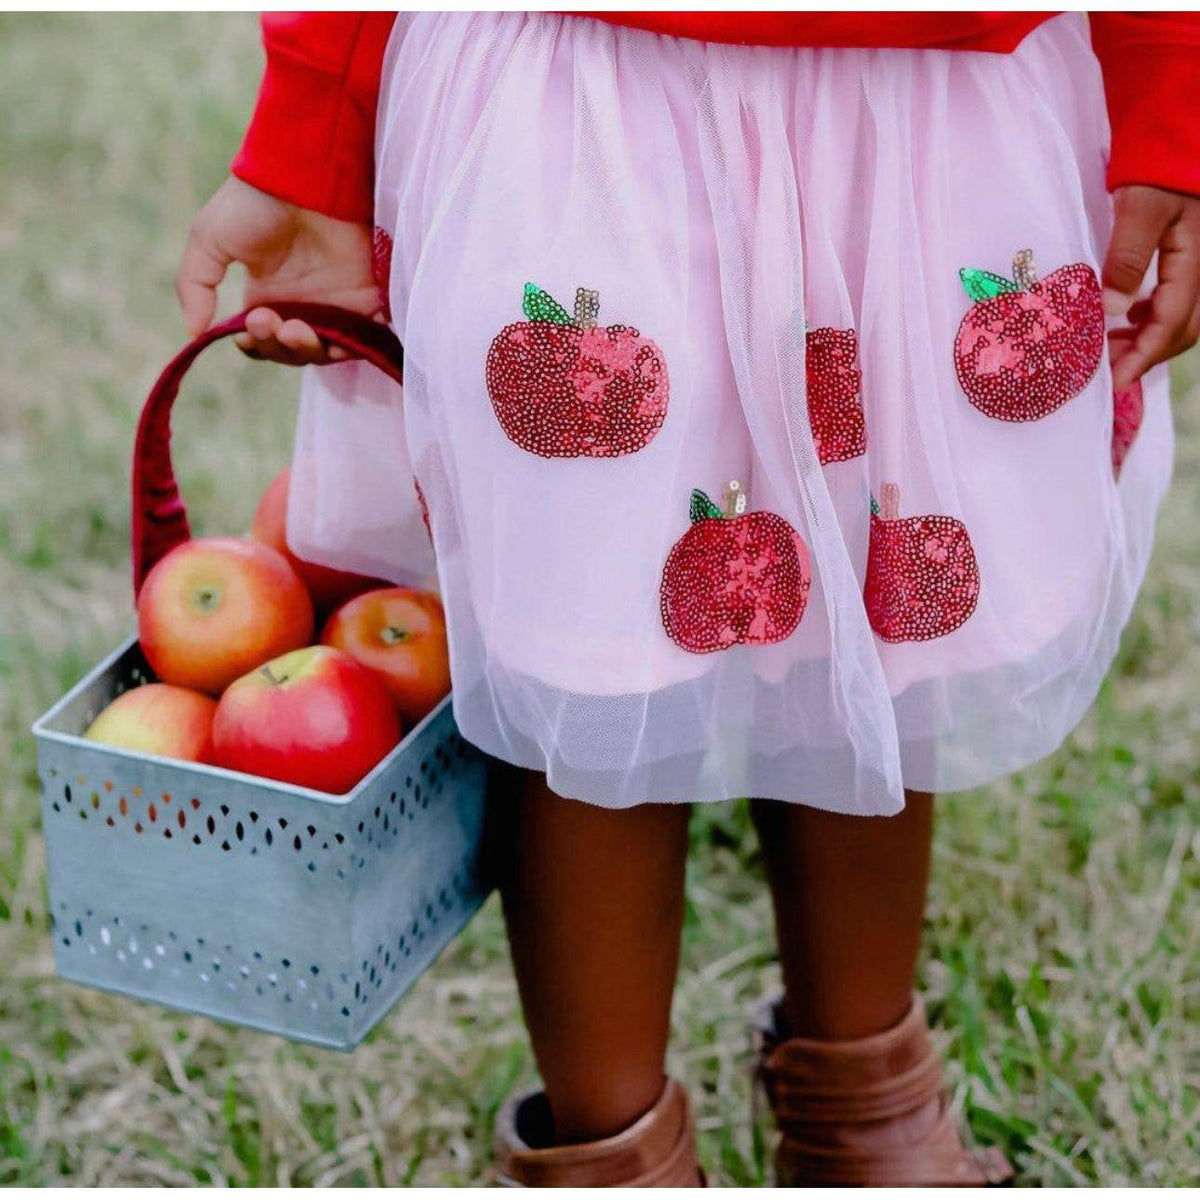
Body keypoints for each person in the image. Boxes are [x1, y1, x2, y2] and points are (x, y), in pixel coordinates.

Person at [177, 12, 1200, 1187]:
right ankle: (614, 1162)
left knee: (873, 582)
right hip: (574, 97)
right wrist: (316, 115)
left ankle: (868, 1121)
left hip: (921, 103)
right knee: (590, 640)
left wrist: (1170, 74)